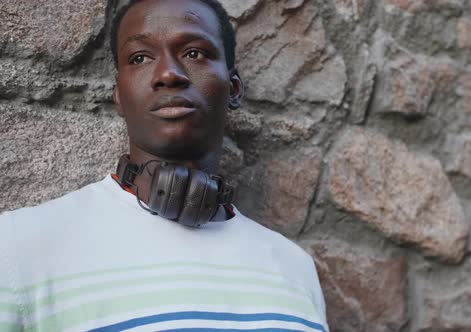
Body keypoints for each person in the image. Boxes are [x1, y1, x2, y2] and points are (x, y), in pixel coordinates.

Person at [0, 0, 328, 331]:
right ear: (118, 95)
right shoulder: (19, 246)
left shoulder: (295, 268)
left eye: (194, 53)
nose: (169, 74)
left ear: (234, 88)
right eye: (140, 58)